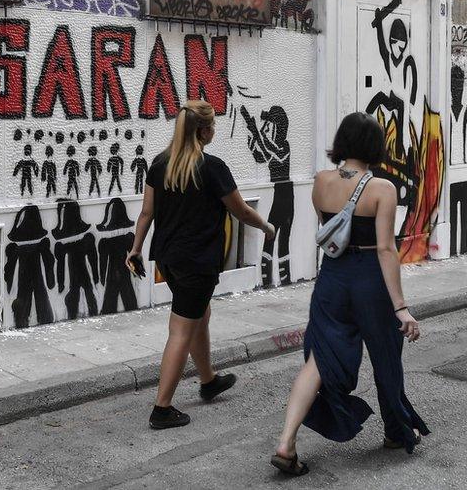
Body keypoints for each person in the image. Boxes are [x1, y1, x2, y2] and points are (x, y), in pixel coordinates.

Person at [270, 112, 429, 476]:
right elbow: (387, 249)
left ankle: (286, 442)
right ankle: (395, 430)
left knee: (320, 360)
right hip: (370, 279)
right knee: (385, 356)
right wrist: (400, 307)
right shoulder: (381, 189)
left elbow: (332, 231)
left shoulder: (321, 181)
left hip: (333, 278)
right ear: (375, 147)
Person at [127, 99, 276, 430]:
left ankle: (208, 380)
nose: (214, 131)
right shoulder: (212, 168)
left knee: (199, 314)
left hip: (168, 259)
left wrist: (135, 249)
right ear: (204, 131)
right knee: (181, 329)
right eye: (213, 126)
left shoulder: (159, 164)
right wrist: (266, 227)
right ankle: (162, 408)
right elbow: (241, 211)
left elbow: (146, 213)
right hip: (197, 263)